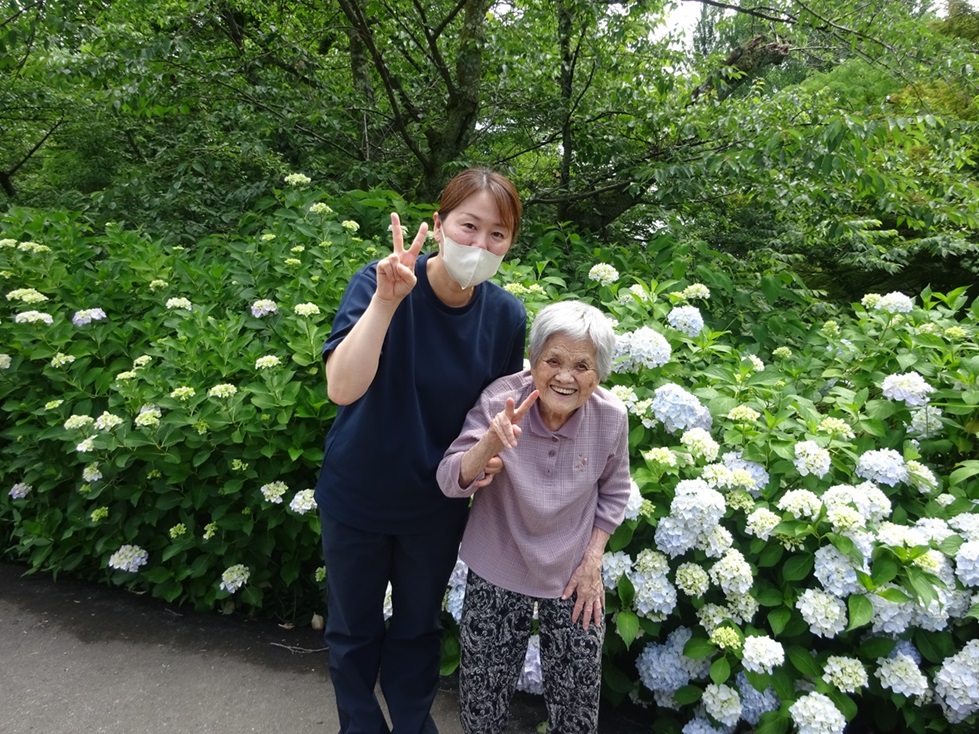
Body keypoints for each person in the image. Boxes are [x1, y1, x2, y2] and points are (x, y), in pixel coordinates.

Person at [313, 168, 527, 734]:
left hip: (435, 504)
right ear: (438, 224)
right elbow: (341, 388)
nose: (480, 245)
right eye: (469, 226)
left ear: (510, 244)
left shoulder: (505, 316)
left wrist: (492, 455)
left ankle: (412, 725)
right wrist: (385, 304)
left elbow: (493, 417)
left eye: (498, 234)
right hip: (358, 493)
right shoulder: (380, 281)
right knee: (353, 632)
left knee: (417, 630)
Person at [436, 300, 632, 734]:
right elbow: (450, 479)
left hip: (574, 570)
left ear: (599, 374)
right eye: (553, 361)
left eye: (582, 366)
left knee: (577, 707)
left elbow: (615, 492)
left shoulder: (611, 417)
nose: (565, 377)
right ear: (534, 359)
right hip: (498, 559)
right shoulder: (501, 401)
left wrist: (593, 560)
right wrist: (487, 445)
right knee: (482, 704)